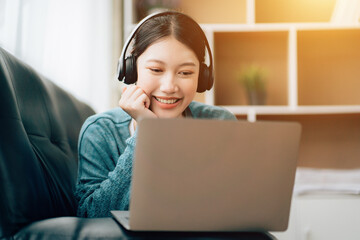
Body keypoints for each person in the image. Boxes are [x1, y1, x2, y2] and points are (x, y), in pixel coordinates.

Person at [75, 11, 237, 218]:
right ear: (130, 70)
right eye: (156, 69)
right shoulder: (100, 131)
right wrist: (146, 134)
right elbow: (91, 215)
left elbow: (233, 207)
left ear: (203, 77)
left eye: (185, 73)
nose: (169, 87)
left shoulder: (220, 123)